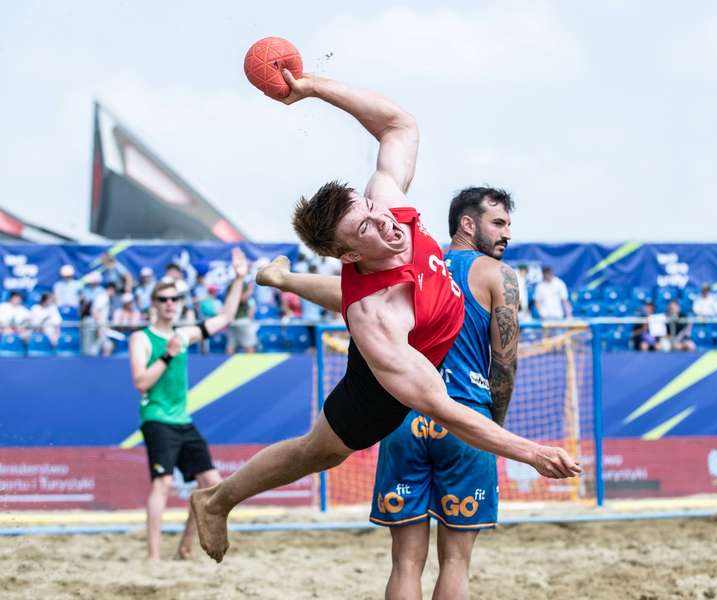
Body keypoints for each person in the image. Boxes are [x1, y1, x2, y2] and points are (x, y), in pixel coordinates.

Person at [190, 71, 579, 563]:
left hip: (414, 307)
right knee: (320, 451)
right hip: (382, 379)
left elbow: (399, 126)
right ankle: (216, 499)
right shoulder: (376, 320)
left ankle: (281, 278)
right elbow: (443, 408)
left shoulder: (388, 206)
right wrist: (531, 451)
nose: (388, 224)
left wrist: (311, 87)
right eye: (367, 228)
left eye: (372, 208)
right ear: (348, 253)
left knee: (378, 291)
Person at [370, 186, 517, 598]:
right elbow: (504, 363)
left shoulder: (413, 268)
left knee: (404, 563)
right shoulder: (497, 274)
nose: (507, 233)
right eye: (499, 223)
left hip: (405, 415)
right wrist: (492, 426)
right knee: (455, 561)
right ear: (467, 224)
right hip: (464, 416)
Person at [127, 248, 248, 560]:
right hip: (156, 418)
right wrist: (168, 354)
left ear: (180, 304)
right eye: (164, 299)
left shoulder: (184, 334)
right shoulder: (142, 338)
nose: (170, 304)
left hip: (183, 420)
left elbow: (225, 318)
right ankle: (153, 558)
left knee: (212, 486)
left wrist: (238, 279)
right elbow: (141, 382)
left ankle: (184, 547)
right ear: (154, 304)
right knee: (163, 484)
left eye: (174, 299)